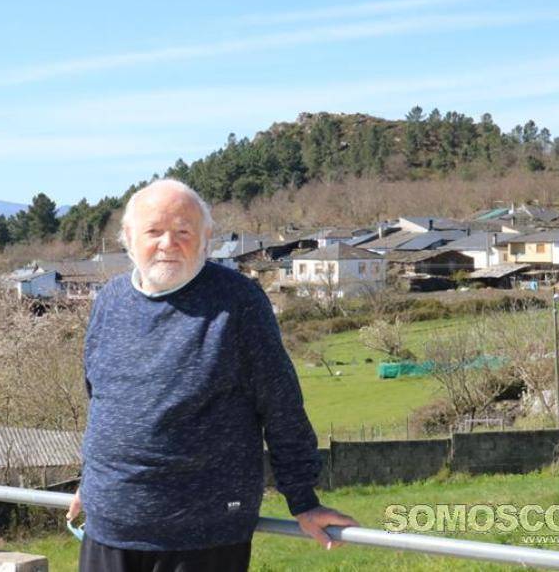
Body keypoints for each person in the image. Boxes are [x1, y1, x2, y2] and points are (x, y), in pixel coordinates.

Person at [67, 179, 358, 571]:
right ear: (128, 239)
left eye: (183, 232)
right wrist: (93, 483)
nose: (168, 243)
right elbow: (101, 400)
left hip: (203, 536)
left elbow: (281, 405)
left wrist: (303, 500)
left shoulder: (237, 303)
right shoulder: (110, 301)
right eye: (154, 232)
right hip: (110, 525)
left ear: (206, 240)